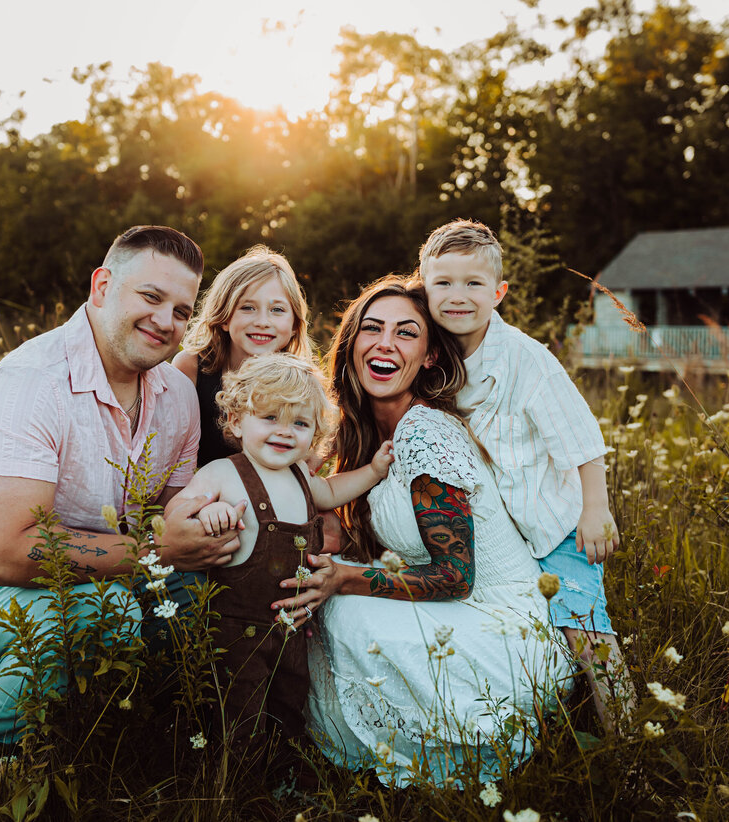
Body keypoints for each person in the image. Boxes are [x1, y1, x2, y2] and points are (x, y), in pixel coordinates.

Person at [0, 225, 243, 754]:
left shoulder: (178, 395)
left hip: (97, 567)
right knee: (104, 613)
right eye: (151, 297)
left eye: (181, 311)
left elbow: (170, 516)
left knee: (201, 593)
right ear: (102, 286)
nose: (166, 321)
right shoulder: (32, 380)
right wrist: (158, 550)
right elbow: (3, 554)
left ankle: (144, 736)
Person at [279, 276, 571, 788]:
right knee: (325, 588)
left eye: (406, 333)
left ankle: (412, 758)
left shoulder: (425, 431)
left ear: (430, 356)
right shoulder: (368, 435)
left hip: (505, 629)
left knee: (345, 606)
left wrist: (343, 580)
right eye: (372, 328)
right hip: (458, 608)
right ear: (352, 345)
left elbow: (456, 576)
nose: (385, 343)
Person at [417, 218, 637, 730]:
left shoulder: (527, 359)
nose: (457, 296)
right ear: (423, 289)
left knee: (583, 625)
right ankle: (540, 711)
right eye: (443, 283)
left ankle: (626, 731)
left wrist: (595, 509)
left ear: (498, 293)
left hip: (556, 525)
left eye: (473, 283)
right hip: (501, 530)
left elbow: (581, 438)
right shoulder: (433, 354)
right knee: (525, 627)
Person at [169, 353, 392, 771]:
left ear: (314, 433)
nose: (285, 431)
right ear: (236, 421)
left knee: (291, 697)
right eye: (270, 417)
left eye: (300, 423)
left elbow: (331, 492)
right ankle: (238, 780)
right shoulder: (221, 474)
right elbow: (175, 512)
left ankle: (285, 769)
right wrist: (207, 511)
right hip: (235, 630)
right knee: (239, 707)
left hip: (291, 628)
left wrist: (374, 472)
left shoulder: (300, 475)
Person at [172, 245, 313, 467]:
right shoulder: (190, 367)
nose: (262, 322)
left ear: (294, 325)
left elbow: (309, 458)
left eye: (277, 310)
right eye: (248, 308)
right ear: (225, 318)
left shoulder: (303, 384)